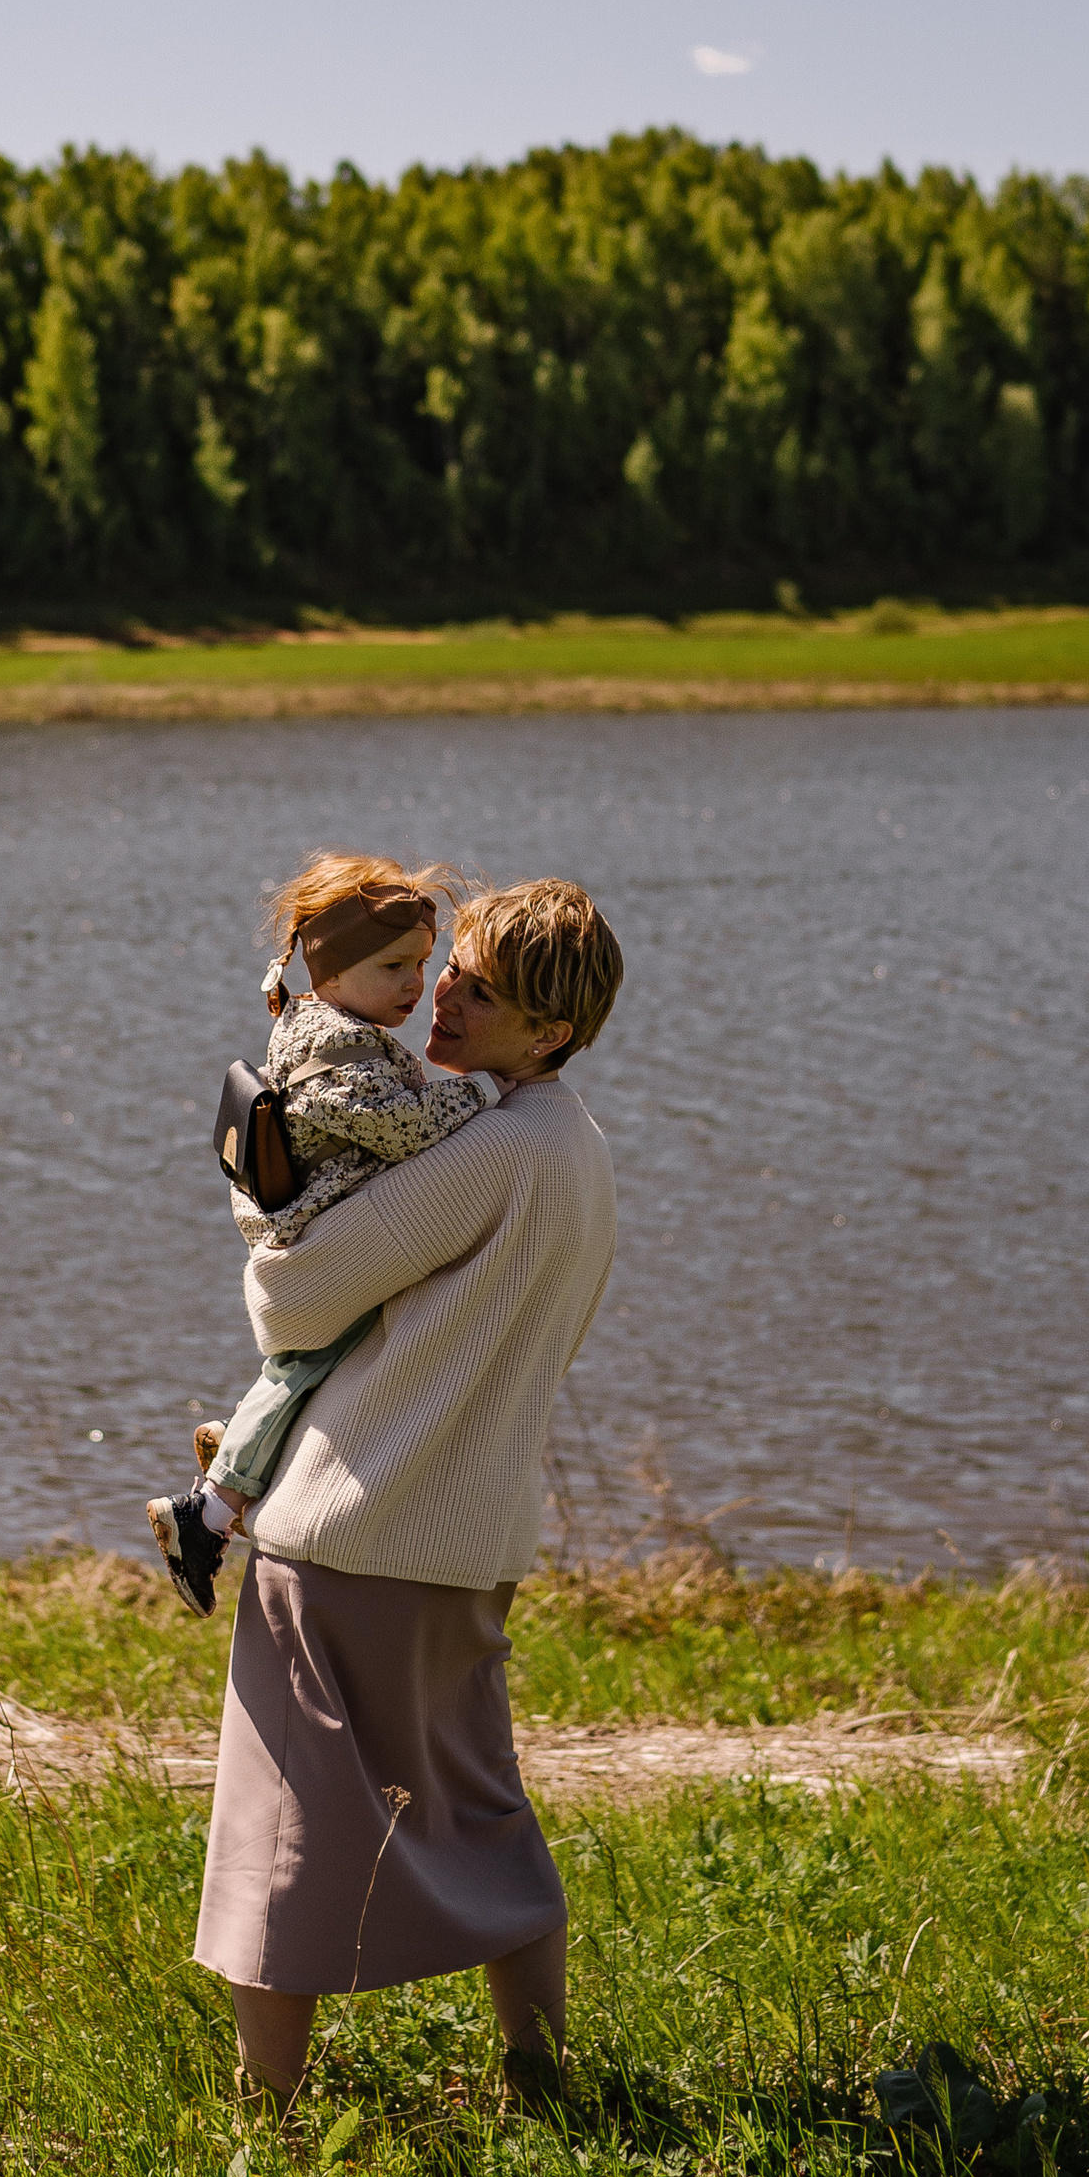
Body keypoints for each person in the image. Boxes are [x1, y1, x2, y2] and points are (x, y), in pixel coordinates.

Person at [190, 876, 624, 2110]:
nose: (443, 995)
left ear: (550, 1033)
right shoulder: (572, 1145)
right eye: (454, 969)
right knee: (479, 1807)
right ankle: (540, 2084)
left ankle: (263, 2126)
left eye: (484, 993)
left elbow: (295, 1301)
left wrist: (263, 1199)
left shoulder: (485, 1150)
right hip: (470, 1533)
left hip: (352, 1525)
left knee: (278, 1835)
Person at [147, 853, 501, 1616]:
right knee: (314, 1366)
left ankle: (237, 1444)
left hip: (322, 1225)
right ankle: (204, 1513)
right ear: (332, 970)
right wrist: (483, 1091)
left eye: (422, 964)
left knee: (318, 1366)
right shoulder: (333, 1050)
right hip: (318, 1237)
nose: (415, 984)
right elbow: (402, 1128)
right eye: (394, 966)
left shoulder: (330, 1022)